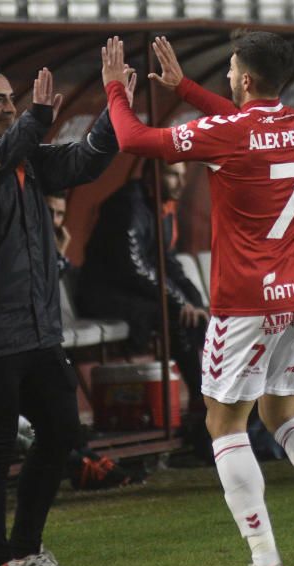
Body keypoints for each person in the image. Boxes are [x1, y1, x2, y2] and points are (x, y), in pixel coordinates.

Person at [101, 32, 294, 566]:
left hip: (247, 301)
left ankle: (265, 560)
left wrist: (113, 88)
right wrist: (187, 88)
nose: (227, 78)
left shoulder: (231, 134)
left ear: (246, 79)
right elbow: (243, 123)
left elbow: (132, 138)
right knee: (283, 417)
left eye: (230, 71)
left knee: (224, 423)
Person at [0, 62, 125, 566]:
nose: (10, 106)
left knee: (61, 431)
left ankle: (27, 550)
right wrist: (32, 125)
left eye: (11, 99)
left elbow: (86, 161)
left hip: (37, 331)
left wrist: (114, 109)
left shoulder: (28, 157)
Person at [77, 159, 209, 410]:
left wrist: (193, 301)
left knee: (195, 315)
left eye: (182, 175)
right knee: (176, 316)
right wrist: (179, 303)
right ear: (152, 175)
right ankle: (199, 399)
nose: (181, 183)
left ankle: (212, 395)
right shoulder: (129, 203)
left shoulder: (164, 207)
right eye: (172, 175)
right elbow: (132, 266)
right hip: (103, 295)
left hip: (134, 293)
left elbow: (168, 262)